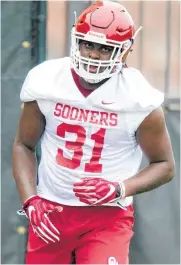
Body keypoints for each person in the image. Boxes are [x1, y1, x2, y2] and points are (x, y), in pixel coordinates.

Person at [12, 1, 175, 264]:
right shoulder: (46, 81)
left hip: (107, 215)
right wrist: (31, 200)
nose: (94, 55)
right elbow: (23, 145)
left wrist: (118, 189)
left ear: (124, 51)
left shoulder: (138, 98)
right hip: (51, 210)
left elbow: (165, 165)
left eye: (105, 48)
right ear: (76, 41)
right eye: (88, 44)